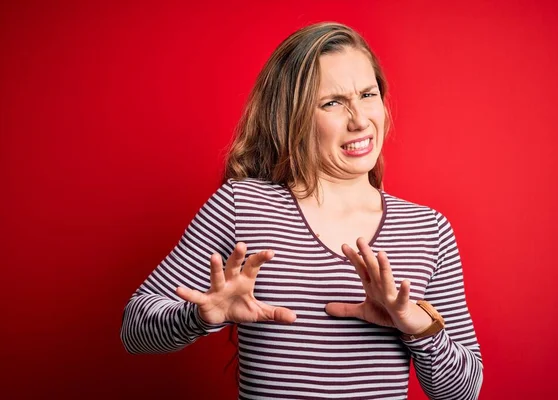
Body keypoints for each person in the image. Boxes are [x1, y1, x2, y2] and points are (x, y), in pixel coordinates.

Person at [121, 22, 483, 399]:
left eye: (367, 94)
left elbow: (462, 392)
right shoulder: (242, 205)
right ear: (292, 116)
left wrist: (415, 326)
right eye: (332, 102)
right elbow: (134, 331)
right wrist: (198, 317)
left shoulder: (427, 229)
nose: (359, 120)